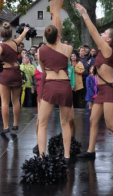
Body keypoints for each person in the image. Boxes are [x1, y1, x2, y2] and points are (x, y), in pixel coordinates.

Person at [74, 3, 113, 159]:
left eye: (104, 32)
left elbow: (93, 32)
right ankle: (91, 151)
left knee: (111, 124)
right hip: (101, 91)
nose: (100, 32)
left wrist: (85, 14)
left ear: (107, 39)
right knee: (93, 120)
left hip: (110, 91)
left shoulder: (106, 48)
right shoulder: (102, 50)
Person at [37, 25, 73, 161]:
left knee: (42, 124)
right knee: (65, 123)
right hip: (65, 85)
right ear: (58, 35)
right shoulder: (68, 48)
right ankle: (67, 155)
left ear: (45, 37)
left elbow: (44, 71)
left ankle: (41, 156)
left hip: (50, 85)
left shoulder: (40, 51)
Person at [0, 22, 30, 133]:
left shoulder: (1, 46)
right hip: (16, 72)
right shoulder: (15, 43)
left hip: (6, 73)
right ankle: (15, 124)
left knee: (5, 102)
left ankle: (5, 127)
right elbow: (21, 37)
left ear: (1, 34)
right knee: (15, 100)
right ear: (10, 33)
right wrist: (25, 30)